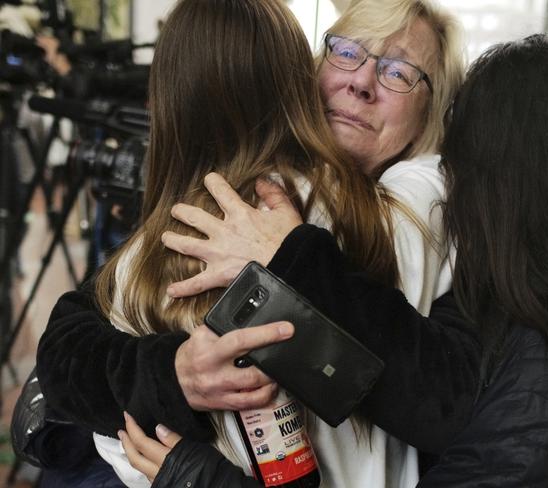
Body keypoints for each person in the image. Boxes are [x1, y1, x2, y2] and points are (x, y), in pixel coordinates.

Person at [122, 34, 548, 486]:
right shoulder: (538, 302)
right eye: (348, 51)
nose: (453, 191)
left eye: (400, 71)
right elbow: (420, 365)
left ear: (503, 188)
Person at [36, 0, 475, 487]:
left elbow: (444, 401)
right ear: (306, 69)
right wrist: (173, 375)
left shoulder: (422, 209)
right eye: (347, 51)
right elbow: (71, 332)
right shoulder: (230, 202)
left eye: (399, 72)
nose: (361, 82)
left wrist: (288, 256)